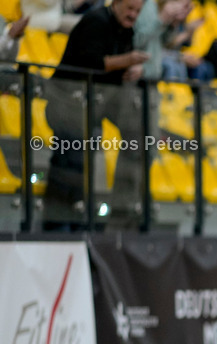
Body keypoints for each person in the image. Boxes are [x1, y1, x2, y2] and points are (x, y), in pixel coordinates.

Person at [43, 0, 148, 231]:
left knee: (82, 164)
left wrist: (132, 71)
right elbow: (92, 62)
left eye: (138, 11)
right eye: (130, 8)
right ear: (117, 3)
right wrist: (128, 61)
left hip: (93, 105)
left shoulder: (126, 30)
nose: (133, 15)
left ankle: (79, 221)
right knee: (69, 162)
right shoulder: (96, 21)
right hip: (67, 102)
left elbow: (114, 72)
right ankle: (56, 224)